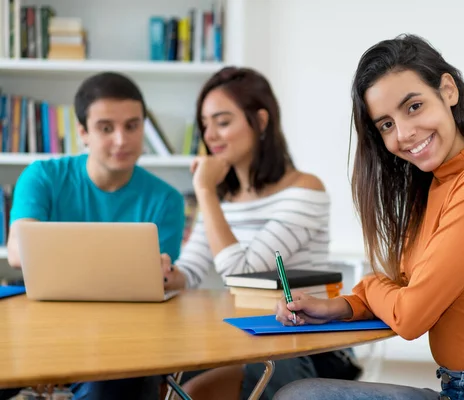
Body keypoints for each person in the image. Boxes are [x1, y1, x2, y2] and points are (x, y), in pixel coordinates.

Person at [273, 34, 464, 400]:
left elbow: (411, 315)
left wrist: (368, 284)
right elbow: (404, 292)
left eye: (413, 107)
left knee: (304, 396)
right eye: (385, 124)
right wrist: (334, 308)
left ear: (447, 90)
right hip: (463, 388)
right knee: (303, 393)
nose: (404, 134)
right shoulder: (432, 189)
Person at [159, 66, 362, 400]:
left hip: (304, 344)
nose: (210, 136)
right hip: (245, 337)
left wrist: (205, 193)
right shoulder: (222, 198)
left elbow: (245, 274)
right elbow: (190, 271)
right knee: (163, 371)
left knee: (195, 390)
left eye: (222, 122)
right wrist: (163, 273)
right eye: (205, 125)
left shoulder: (305, 189)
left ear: (261, 122)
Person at [4, 71, 185, 400]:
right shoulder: (42, 176)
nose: (121, 139)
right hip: (37, 326)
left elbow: (160, 279)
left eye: (132, 126)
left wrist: (165, 273)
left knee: (115, 385)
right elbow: (18, 254)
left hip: (121, 337)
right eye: (106, 128)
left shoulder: (167, 199)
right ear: (83, 133)